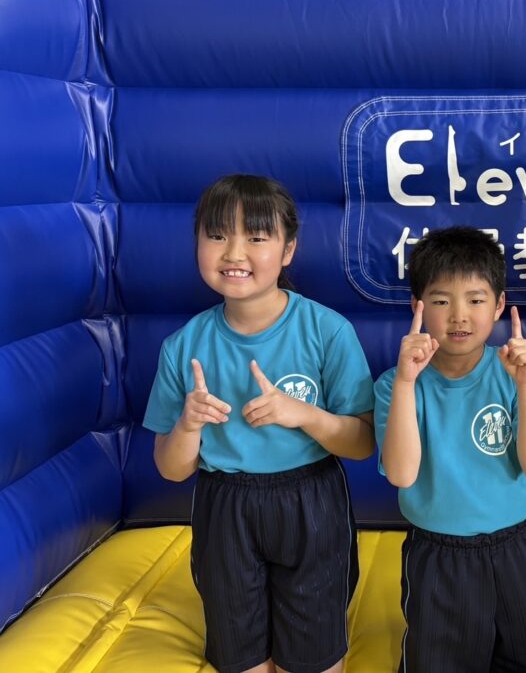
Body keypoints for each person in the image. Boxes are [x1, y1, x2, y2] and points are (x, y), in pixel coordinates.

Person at [143, 174, 375, 673]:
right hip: (225, 506)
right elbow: (171, 469)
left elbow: (362, 443)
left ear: (288, 249)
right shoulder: (182, 346)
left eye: (256, 236)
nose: (234, 252)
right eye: (217, 235)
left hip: (310, 502)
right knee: (242, 660)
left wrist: (304, 414)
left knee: (311, 660)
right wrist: (188, 425)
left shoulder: (328, 330)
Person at [374, 226, 526, 672]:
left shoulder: (515, 371)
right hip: (440, 554)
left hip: (519, 544)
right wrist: (405, 382)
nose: (459, 316)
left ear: (499, 305)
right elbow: (402, 474)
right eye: (441, 301)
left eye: (476, 300)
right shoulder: (394, 385)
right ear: (418, 306)